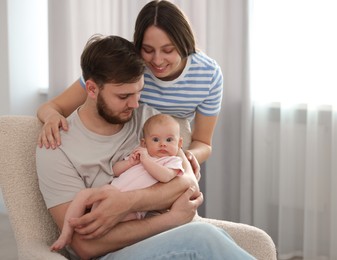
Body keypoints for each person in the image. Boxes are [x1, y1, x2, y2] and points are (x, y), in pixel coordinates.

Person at [36, 34, 255, 259]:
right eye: (124, 96)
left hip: (165, 240)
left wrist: (127, 202)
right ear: (91, 90)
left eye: (139, 92)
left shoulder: (146, 119)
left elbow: (188, 184)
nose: (134, 103)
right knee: (203, 238)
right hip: (111, 254)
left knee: (211, 238)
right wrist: (171, 218)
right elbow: (84, 246)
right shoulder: (56, 146)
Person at [37, 0, 223, 167]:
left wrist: (184, 158)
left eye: (168, 50)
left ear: (185, 44)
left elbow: (204, 143)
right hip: (127, 152)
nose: (157, 61)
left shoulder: (208, 75)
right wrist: (52, 116)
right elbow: (52, 106)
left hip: (171, 155)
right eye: (148, 50)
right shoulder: (130, 66)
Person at [50, 114, 185, 251]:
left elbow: (165, 176)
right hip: (110, 191)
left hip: (133, 209)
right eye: (155, 139)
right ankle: (66, 232)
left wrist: (146, 161)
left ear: (179, 144)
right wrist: (129, 163)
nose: (163, 144)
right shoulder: (141, 155)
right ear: (144, 143)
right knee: (83, 195)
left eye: (169, 140)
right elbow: (115, 171)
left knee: (118, 225)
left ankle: (99, 241)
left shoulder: (172, 161)